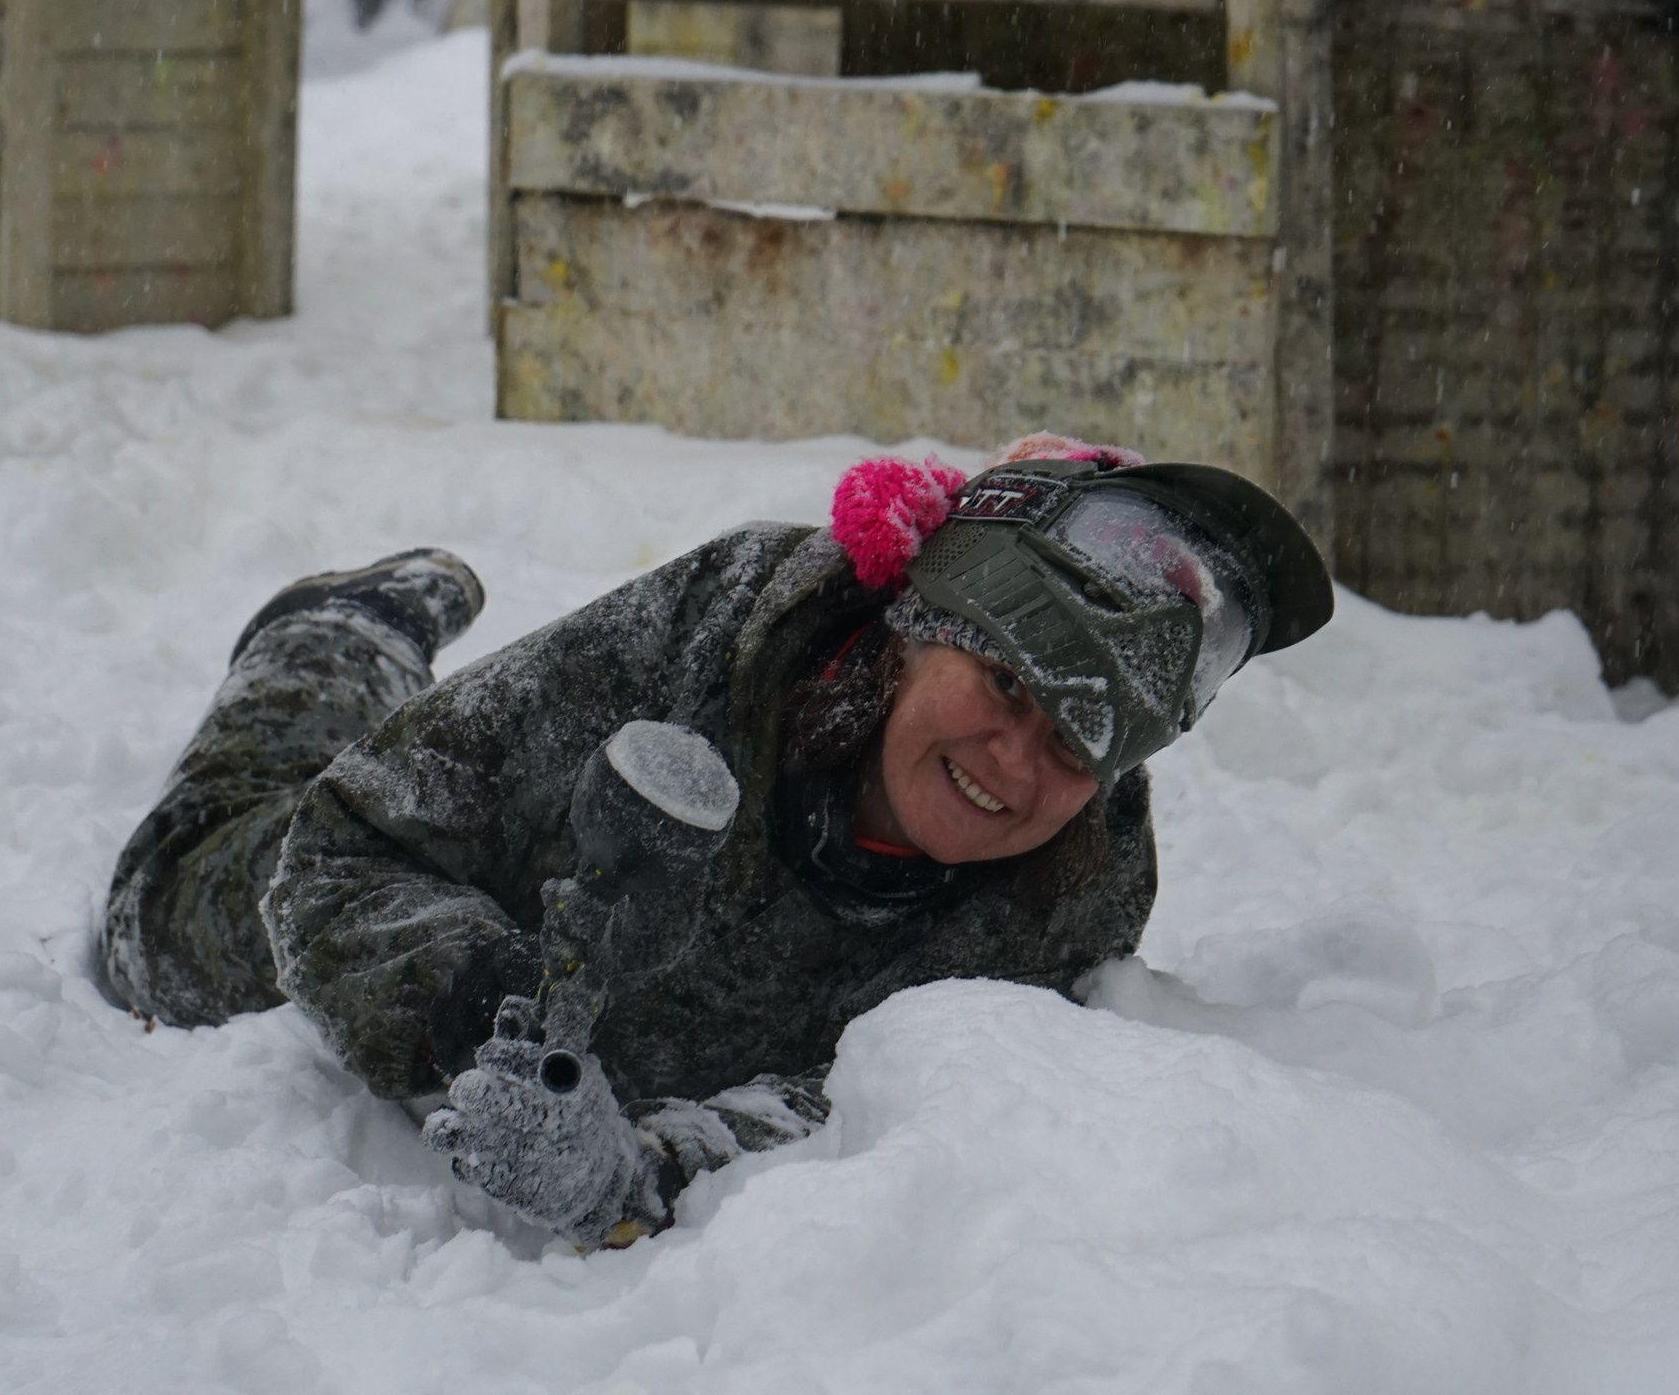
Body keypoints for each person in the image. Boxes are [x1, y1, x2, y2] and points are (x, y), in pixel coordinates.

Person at [99, 435, 1333, 1247]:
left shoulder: (1078, 896)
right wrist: (480, 1004)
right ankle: (337, 635)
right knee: (162, 933)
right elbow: (350, 842)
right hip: (466, 885)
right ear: (916, 622)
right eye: (1006, 689)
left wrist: (644, 1167)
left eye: (1078, 750)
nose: (1019, 767)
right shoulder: (721, 629)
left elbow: (871, 1109)